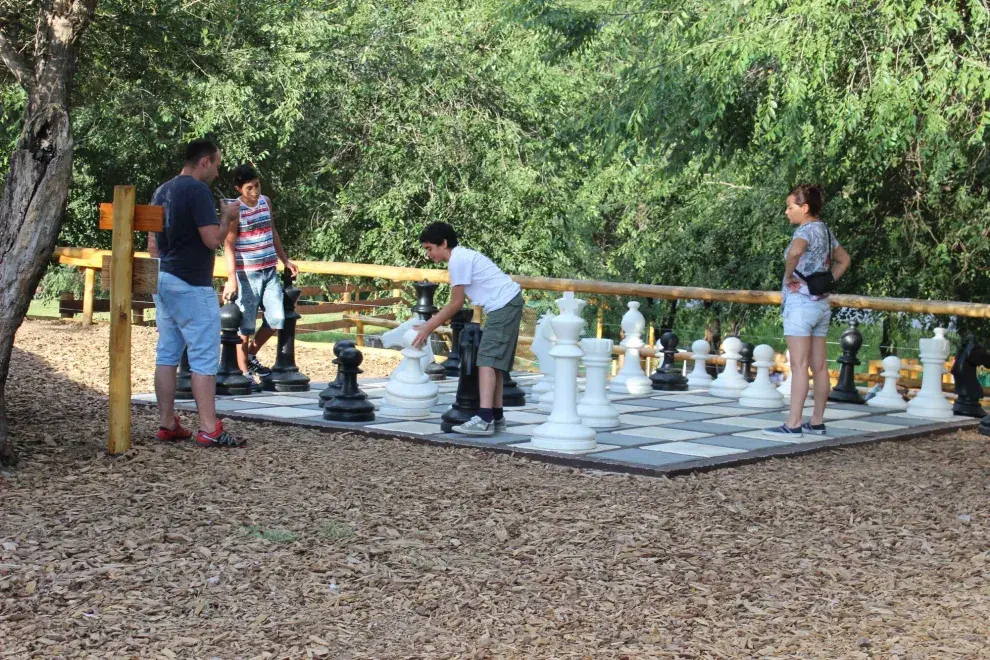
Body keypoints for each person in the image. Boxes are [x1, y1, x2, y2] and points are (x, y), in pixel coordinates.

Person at [148, 139, 246, 448]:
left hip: (162, 277)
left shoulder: (162, 190)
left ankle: (167, 423)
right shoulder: (198, 191)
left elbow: (152, 243)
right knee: (204, 357)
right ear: (204, 162)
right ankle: (208, 428)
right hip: (191, 281)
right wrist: (228, 217)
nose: (217, 172)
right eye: (216, 164)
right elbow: (210, 240)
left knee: (167, 352)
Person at [413, 222, 524, 436]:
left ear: (443, 243)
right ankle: (496, 416)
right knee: (494, 363)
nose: (428, 254)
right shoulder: (461, 257)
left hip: (503, 306)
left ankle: (484, 419)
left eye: (430, 248)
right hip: (506, 304)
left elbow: (456, 304)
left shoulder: (458, 261)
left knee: (486, 361)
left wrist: (428, 327)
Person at [764, 184, 851, 439]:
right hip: (821, 304)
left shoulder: (805, 231)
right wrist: (828, 281)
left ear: (804, 208)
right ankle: (817, 421)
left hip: (800, 304)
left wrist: (789, 274)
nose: (786, 211)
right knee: (820, 365)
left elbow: (796, 251)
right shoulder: (824, 230)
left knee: (799, 365)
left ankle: (792, 423)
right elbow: (844, 259)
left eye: (790, 207)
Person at [222, 164, 298, 385]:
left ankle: (251, 355)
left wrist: (284, 259)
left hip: (269, 269)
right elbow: (228, 245)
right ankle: (244, 371)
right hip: (247, 273)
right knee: (245, 325)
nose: (255, 191)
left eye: (257, 185)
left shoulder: (265, 201)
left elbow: (271, 229)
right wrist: (231, 278)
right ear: (239, 189)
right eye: (249, 188)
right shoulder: (235, 210)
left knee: (277, 317)